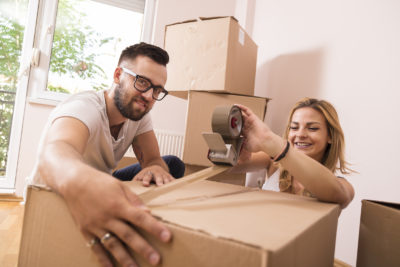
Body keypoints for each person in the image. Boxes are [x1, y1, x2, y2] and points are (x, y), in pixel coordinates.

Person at [30, 43, 185, 267]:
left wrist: (154, 167)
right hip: (60, 191)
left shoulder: (138, 115)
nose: (149, 96)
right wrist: (83, 182)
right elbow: (54, 151)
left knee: (172, 164)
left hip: (103, 182)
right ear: (118, 75)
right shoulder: (85, 107)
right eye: (142, 82)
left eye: (157, 90)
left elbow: (152, 159)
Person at [233, 98, 354, 209]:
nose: (300, 135)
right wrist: (234, 150)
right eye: (294, 127)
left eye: (312, 128)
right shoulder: (273, 162)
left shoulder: (341, 186)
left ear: (330, 136)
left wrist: (270, 140)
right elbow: (228, 166)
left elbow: (340, 195)